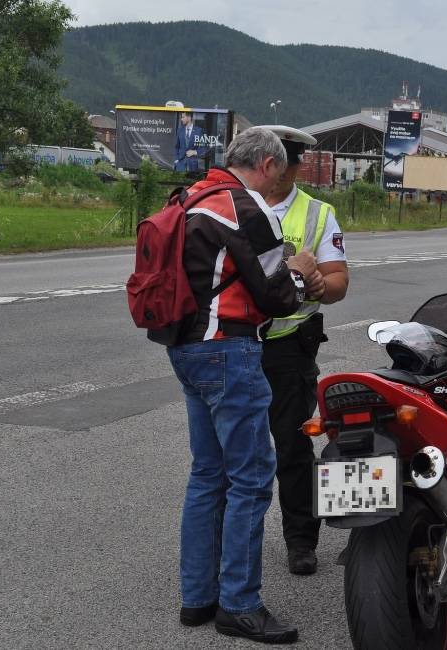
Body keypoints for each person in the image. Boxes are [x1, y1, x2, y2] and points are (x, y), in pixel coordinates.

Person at [168, 127, 318, 645]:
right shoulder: (245, 208)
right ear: (266, 164)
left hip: (185, 348)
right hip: (230, 349)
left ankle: (197, 598)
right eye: (280, 167)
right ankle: (239, 604)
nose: (281, 176)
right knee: (252, 480)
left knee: (208, 474)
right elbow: (279, 298)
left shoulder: (189, 197)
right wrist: (299, 270)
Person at [256, 124, 350, 575]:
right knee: (230, 451)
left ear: (292, 166)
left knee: (293, 448)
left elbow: (338, 284)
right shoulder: (237, 204)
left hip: (289, 347)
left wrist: (317, 283)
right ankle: (231, 537)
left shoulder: (317, 214)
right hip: (237, 343)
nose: (270, 171)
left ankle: (300, 540)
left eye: (279, 163)